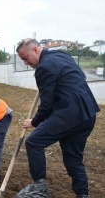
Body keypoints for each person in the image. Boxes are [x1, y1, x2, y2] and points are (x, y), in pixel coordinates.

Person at [15, 38, 100, 198]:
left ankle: (39, 189)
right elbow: (78, 75)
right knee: (73, 158)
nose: (26, 63)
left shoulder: (43, 68)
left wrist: (33, 122)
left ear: (35, 50)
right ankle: (83, 194)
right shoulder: (62, 55)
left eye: (25, 58)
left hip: (70, 113)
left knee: (33, 142)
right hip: (87, 113)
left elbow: (46, 105)